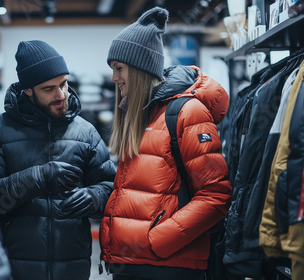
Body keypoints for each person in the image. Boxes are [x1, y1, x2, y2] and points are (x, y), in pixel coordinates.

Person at [99, 7, 232, 280]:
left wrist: (158, 240)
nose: (114, 78)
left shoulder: (186, 112)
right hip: (131, 265)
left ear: (139, 68)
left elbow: (216, 195)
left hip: (168, 266)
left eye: (119, 69)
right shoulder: (139, 115)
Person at [0, 40, 117, 280]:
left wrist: (94, 197)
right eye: (48, 89)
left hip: (73, 268)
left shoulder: (85, 132)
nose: (61, 95)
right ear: (28, 90)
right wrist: (36, 178)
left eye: (63, 84)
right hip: (13, 269)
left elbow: (111, 186)